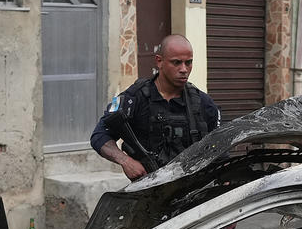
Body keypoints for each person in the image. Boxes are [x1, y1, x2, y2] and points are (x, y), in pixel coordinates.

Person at [91, 34, 221, 180]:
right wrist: (125, 161)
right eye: (176, 62)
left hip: (193, 190)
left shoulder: (204, 103)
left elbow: (220, 150)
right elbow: (99, 135)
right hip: (149, 190)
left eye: (188, 62)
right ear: (159, 61)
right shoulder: (134, 99)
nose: (184, 69)